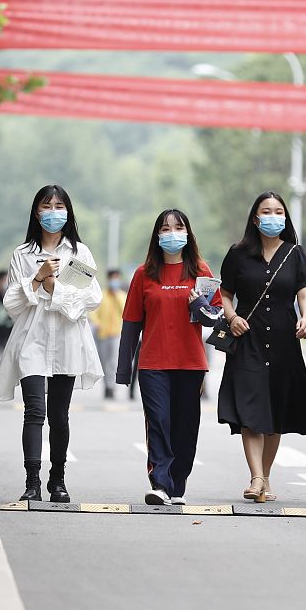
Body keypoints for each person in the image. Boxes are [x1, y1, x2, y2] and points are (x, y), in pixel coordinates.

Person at [0, 185, 103, 503]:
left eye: (59, 206)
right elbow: (12, 302)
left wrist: (54, 289)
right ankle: (32, 482)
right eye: (47, 206)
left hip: (67, 342)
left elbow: (91, 298)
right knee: (34, 411)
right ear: (36, 212)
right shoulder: (22, 254)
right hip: (32, 341)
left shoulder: (78, 253)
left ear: (69, 212)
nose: (53, 213)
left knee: (59, 415)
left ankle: (58, 480)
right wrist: (36, 278)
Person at [218, 191, 306, 503]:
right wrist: (232, 316)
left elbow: (305, 292)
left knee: (275, 410)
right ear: (255, 217)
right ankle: (256, 476)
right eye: (266, 211)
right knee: (251, 408)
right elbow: (224, 293)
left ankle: (264, 476)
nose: (273, 216)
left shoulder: (295, 254)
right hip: (247, 338)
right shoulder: (238, 254)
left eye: (279, 211)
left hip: (283, 341)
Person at [117, 209, 222, 506]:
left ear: (188, 234)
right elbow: (131, 322)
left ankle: (178, 484)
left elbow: (215, 317)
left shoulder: (200, 271)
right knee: (158, 423)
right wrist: (124, 369)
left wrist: (200, 303)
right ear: (157, 235)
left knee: (186, 427)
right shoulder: (144, 274)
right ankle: (160, 483)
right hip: (153, 364)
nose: (172, 232)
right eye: (166, 228)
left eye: (178, 227)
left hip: (190, 363)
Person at [90, 268, 127, 400]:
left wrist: (117, 295)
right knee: (104, 362)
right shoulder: (101, 295)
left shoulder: (122, 296)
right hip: (102, 334)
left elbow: (125, 311)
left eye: (117, 278)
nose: (114, 281)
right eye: (113, 278)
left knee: (113, 362)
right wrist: (97, 322)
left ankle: (111, 387)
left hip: (116, 334)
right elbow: (93, 312)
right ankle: (106, 386)